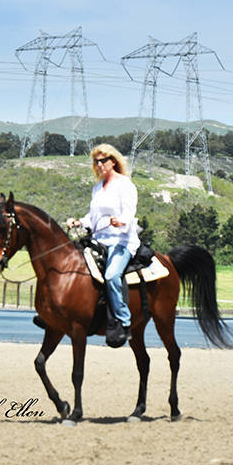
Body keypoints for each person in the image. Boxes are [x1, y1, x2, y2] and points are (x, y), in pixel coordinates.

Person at [67, 144, 140, 348]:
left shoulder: (125, 184)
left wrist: (121, 221)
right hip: (100, 239)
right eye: (96, 161)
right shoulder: (97, 188)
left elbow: (129, 211)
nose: (99, 165)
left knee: (111, 276)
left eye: (103, 160)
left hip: (122, 240)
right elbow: (93, 217)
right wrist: (80, 222)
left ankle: (124, 322)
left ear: (113, 161)